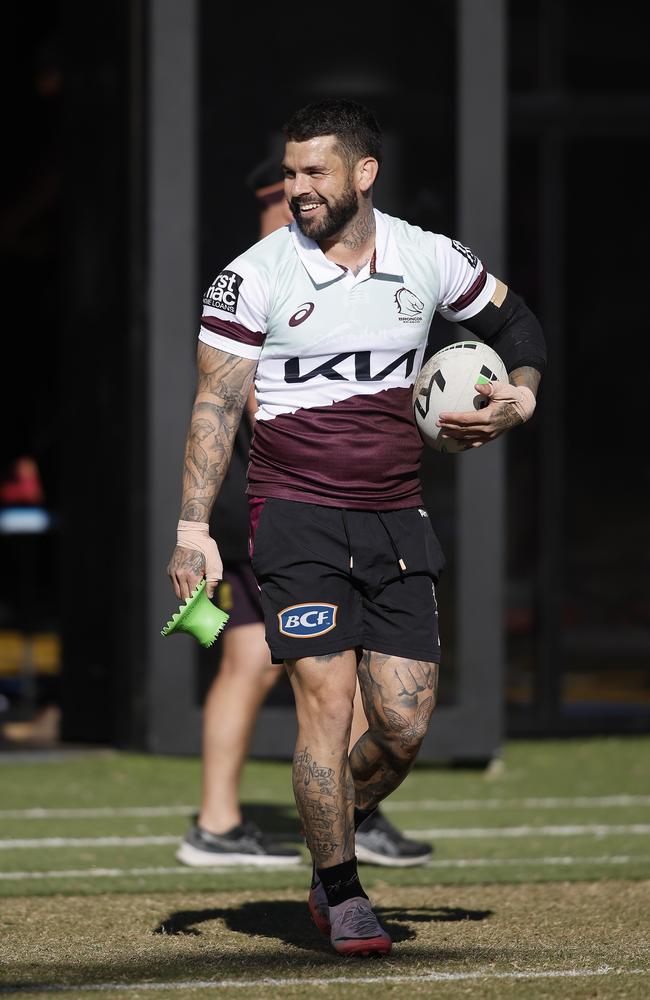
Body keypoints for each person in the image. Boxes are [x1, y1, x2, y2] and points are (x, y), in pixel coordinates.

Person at [167, 99, 546, 957]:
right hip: (294, 516)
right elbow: (215, 406)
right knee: (325, 708)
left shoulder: (427, 257)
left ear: (363, 175)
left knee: (405, 724)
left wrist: (520, 396)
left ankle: (332, 832)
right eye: (290, 172)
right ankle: (341, 891)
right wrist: (194, 528)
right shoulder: (254, 274)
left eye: (314, 173)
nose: (297, 188)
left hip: (396, 517)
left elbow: (516, 326)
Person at [177, 158, 433, 869]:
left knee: (249, 658)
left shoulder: (305, 265)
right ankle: (340, 814)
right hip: (281, 495)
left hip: (266, 493)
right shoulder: (274, 264)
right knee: (319, 662)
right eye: (291, 188)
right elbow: (259, 396)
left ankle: (223, 824)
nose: (302, 201)